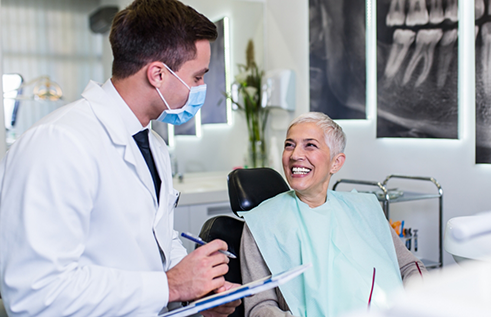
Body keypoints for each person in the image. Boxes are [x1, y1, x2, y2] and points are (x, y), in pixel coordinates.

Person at [0, 0, 240, 316]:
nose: (202, 88)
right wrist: (170, 286)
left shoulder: (153, 145)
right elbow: (35, 291)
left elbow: (158, 240)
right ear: (158, 74)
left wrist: (199, 291)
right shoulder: (58, 142)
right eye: (197, 77)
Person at [240, 112, 426, 317]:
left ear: (336, 163)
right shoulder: (261, 223)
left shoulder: (364, 209)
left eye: (309, 145)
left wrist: (417, 303)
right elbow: (260, 306)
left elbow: (409, 266)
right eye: (289, 145)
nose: (295, 155)